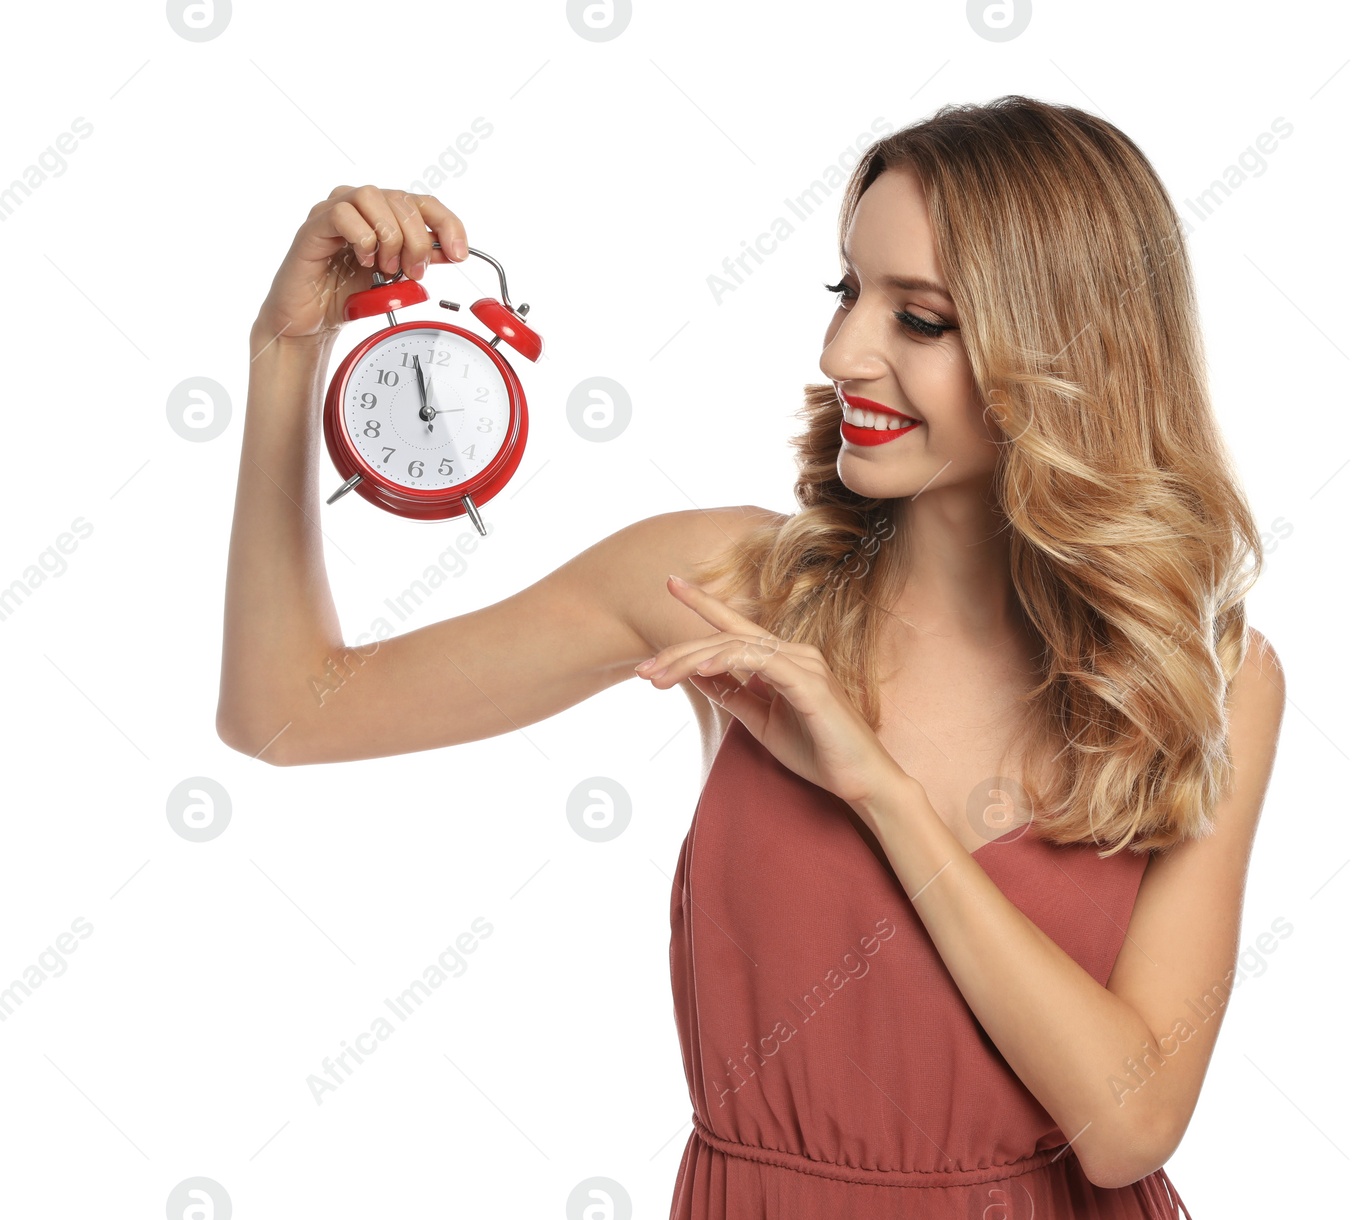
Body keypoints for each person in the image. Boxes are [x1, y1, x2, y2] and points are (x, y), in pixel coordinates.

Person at [219, 94, 1285, 1219]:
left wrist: (877, 789)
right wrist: (288, 350)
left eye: (918, 320)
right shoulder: (727, 590)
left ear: (1070, 348)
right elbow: (286, 713)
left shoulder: (1204, 677)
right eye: (846, 291)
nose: (839, 353)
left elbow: (1127, 1127)